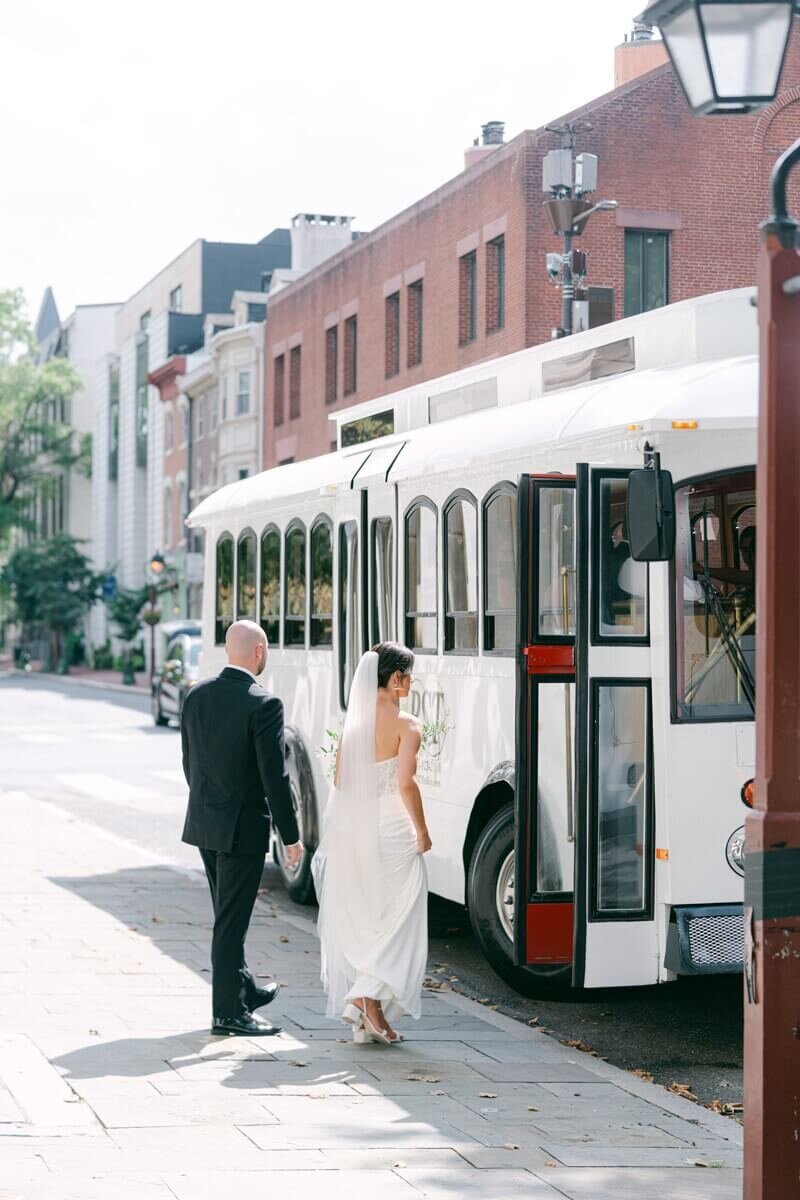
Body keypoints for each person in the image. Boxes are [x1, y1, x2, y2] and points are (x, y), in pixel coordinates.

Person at [181, 619, 303, 1037]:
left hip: (204, 824)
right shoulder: (263, 704)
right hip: (241, 829)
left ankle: (244, 990)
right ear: (260, 652)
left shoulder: (196, 695)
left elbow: (189, 765)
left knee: (226, 914)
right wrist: (291, 836)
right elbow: (275, 778)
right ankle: (227, 1014)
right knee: (231, 923)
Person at [311, 642, 431, 1046]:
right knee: (402, 915)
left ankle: (367, 1003)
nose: (411, 682)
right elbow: (406, 783)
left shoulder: (355, 724)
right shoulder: (407, 725)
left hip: (359, 829)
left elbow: (342, 782)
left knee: (373, 913)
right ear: (394, 678)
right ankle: (368, 999)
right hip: (394, 828)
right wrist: (423, 830)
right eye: (408, 675)